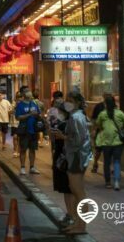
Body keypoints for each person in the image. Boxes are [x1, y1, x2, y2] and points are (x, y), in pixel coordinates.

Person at [59, 91, 93, 235]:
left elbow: (77, 140)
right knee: (76, 190)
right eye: (67, 100)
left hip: (77, 157)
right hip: (77, 156)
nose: (67, 103)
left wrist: (64, 137)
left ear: (77, 102)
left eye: (70, 100)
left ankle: (81, 226)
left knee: (78, 192)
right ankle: (79, 224)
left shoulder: (76, 117)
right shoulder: (77, 116)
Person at [47, 91, 74, 229]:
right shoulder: (65, 122)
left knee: (70, 188)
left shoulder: (70, 123)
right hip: (64, 157)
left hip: (67, 157)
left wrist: (62, 137)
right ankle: (70, 215)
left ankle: (72, 217)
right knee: (67, 188)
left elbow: (77, 140)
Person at [96, 93, 124, 190]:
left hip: (106, 142)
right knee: (117, 161)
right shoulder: (120, 113)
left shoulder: (102, 114)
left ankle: (108, 182)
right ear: (114, 103)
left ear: (105, 104)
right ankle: (116, 182)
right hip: (118, 142)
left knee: (107, 162)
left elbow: (98, 125)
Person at [15, 86, 41, 175]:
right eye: (26, 91)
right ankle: (22, 167)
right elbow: (18, 117)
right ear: (22, 94)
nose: (28, 92)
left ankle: (32, 167)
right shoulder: (20, 105)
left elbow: (38, 114)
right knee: (23, 149)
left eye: (29, 90)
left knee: (32, 150)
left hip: (33, 130)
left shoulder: (34, 103)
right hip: (24, 130)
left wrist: (37, 115)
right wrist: (29, 114)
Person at [90, 98, 106, 173]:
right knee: (98, 150)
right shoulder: (99, 106)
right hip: (100, 132)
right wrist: (93, 129)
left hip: (108, 133)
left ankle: (109, 166)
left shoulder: (113, 108)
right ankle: (95, 164)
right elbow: (93, 119)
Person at [9, 92, 22, 158]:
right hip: (14, 123)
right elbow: (9, 112)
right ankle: (15, 151)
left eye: (20, 97)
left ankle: (19, 151)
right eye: (18, 97)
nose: (19, 99)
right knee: (15, 137)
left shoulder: (23, 104)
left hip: (21, 123)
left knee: (19, 138)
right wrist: (14, 108)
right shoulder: (13, 103)